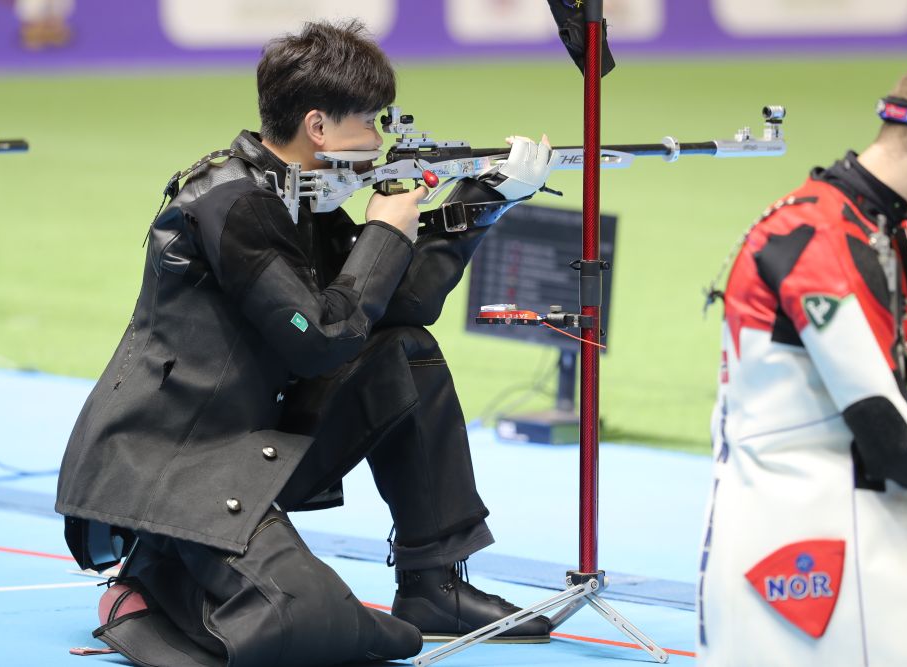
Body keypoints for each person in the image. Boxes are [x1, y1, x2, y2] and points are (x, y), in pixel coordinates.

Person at [55, 20, 555, 667]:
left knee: (405, 351)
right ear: (318, 126)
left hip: (244, 444)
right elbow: (320, 339)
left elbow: (396, 305)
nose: (377, 142)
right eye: (368, 123)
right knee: (312, 624)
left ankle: (435, 587)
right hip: (168, 460)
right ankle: (150, 582)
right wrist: (385, 233)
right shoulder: (233, 203)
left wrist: (482, 201)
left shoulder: (299, 198)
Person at [697, 53, 907, 666]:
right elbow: (904, 450)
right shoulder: (821, 242)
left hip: (857, 533)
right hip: (805, 565)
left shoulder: (886, 225)